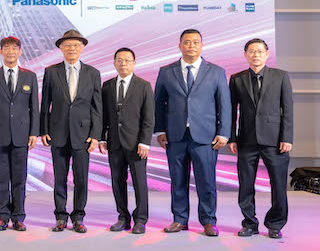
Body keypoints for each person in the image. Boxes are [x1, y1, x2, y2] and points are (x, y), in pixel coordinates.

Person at [154, 29, 231, 237]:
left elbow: (224, 104)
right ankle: (180, 219)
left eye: (195, 42)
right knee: (177, 180)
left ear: (201, 45)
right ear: (180, 46)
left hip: (206, 137)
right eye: (187, 42)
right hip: (175, 135)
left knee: (206, 181)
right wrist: (160, 130)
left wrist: (224, 133)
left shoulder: (216, 72)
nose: (191, 46)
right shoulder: (166, 71)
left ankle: (208, 221)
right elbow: (158, 103)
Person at [229, 38, 293, 239]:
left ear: (267, 54)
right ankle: (249, 224)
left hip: (275, 141)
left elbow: (288, 109)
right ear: (245, 54)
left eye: (259, 51)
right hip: (246, 140)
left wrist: (287, 137)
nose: (255, 55)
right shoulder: (237, 79)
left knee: (278, 186)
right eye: (251, 51)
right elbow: (231, 110)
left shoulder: (280, 76)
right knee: (245, 185)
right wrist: (232, 138)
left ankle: (275, 224)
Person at [40, 29, 101, 234]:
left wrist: (96, 135)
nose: (71, 48)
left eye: (75, 45)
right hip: (57, 133)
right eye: (67, 45)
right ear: (61, 48)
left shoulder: (93, 73)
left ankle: (78, 217)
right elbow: (45, 103)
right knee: (59, 177)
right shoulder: (51, 72)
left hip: (83, 135)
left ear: (82, 47)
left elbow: (97, 107)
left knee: (81, 179)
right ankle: (60, 217)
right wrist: (44, 130)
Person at [0, 36, 39, 232]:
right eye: (6, 48)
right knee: (1, 179)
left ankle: (18, 217)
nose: (10, 51)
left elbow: (34, 107)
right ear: (0, 52)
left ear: (20, 51)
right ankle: (2, 216)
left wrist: (34, 133)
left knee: (19, 179)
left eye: (14, 48)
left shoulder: (29, 76)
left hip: (22, 135)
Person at [99, 47, 154, 235]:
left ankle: (141, 219)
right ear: (114, 63)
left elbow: (148, 117)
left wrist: (145, 142)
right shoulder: (107, 86)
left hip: (136, 144)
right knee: (117, 181)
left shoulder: (143, 86)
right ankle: (123, 218)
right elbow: (103, 115)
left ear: (134, 63)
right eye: (120, 60)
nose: (123, 64)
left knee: (140, 182)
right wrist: (102, 138)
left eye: (127, 60)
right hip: (114, 143)